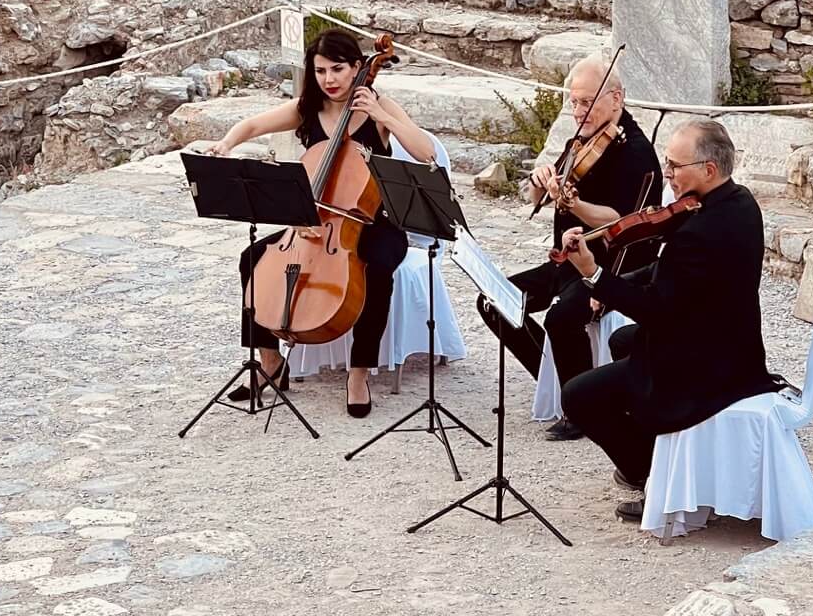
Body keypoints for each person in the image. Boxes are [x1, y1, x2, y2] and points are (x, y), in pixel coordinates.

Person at [207, 29, 436, 418]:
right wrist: (226, 144)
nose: (329, 79)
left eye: (338, 69)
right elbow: (251, 126)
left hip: (373, 221)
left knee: (378, 271)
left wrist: (382, 116)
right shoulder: (308, 108)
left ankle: (359, 373)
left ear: (358, 68)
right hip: (314, 221)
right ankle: (271, 361)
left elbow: (426, 152)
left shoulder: (378, 106)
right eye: (320, 71)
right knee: (251, 258)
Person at [559, 119, 778, 521]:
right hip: (731, 342)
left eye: (676, 166)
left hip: (706, 367)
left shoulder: (699, 232)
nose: (668, 175)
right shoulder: (739, 203)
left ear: (708, 170)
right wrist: (613, 284)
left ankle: (651, 475)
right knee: (623, 342)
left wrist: (593, 275)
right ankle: (659, 453)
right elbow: (669, 275)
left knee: (578, 395)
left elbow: (654, 308)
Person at [476, 54, 663, 442]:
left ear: (617, 98)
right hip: (566, 261)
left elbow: (619, 221)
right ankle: (557, 377)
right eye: (574, 102)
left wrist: (574, 205)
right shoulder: (580, 140)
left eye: (587, 102)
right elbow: (534, 198)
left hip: (609, 266)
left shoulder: (635, 151)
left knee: (561, 318)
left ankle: (581, 408)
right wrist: (540, 180)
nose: (578, 111)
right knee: (493, 301)